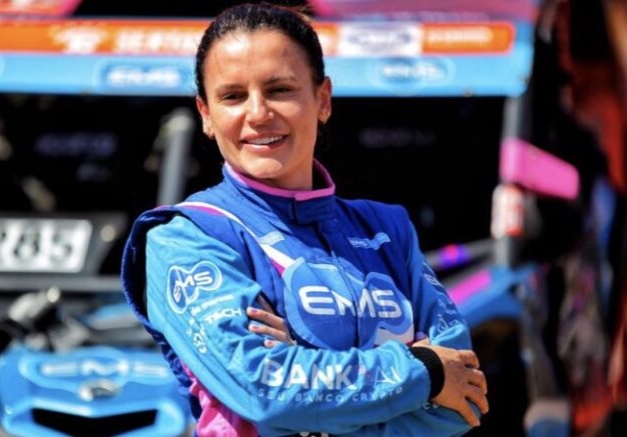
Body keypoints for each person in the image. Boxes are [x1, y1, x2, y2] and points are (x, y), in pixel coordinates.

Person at [121, 3, 488, 436]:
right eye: (232, 96)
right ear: (206, 114)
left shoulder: (388, 229)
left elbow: (462, 396)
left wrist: (309, 376)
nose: (258, 113)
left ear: (323, 100)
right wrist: (424, 370)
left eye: (279, 89)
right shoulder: (186, 237)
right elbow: (264, 390)